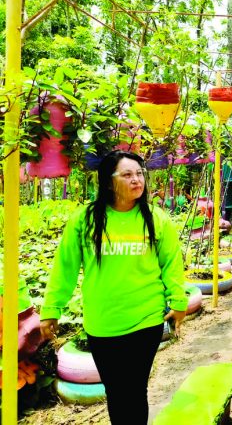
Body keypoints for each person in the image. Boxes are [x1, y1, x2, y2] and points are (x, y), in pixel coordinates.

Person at [40, 150, 188, 425]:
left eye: (139, 173)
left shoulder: (157, 219)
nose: (137, 180)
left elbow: (171, 264)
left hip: (146, 319)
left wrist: (178, 302)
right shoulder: (85, 220)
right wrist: (52, 308)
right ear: (109, 182)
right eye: (127, 174)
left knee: (134, 390)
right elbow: (65, 266)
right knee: (116, 391)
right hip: (103, 323)